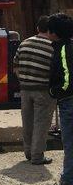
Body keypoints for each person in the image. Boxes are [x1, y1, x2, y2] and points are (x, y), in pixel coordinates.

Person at [14, 16, 56, 164]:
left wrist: (23, 81)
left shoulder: (24, 43)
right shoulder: (53, 46)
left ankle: (28, 152)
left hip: (25, 89)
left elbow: (16, 66)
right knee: (41, 123)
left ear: (38, 28)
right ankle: (37, 156)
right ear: (51, 29)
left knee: (28, 121)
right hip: (43, 90)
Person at [45, 12, 73, 185]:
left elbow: (67, 78)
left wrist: (55, 91)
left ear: (55, 32)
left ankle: (68, 182)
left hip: (68, 101)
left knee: (69, 143)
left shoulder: (63, 49)